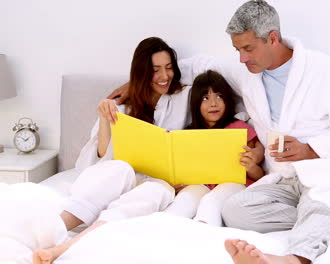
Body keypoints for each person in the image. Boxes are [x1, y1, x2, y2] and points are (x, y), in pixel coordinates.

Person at [107, 2, 330, 263]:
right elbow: (197, 66)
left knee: (324, 198)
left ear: (272, 38)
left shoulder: (324, 72)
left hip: (327, 170)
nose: (241, 58)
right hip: (284, 179)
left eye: (248, 48)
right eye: (237, 49)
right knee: (235, 210)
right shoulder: (248, 73)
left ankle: (292, 258)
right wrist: (138, 83)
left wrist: (311, 148)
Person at [32, 37, 209, 264]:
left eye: (169, 68)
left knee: (158, 190)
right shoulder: (120, 106)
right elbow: (94, 162)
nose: (165, 76)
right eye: (155, 70)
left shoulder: (184, 97)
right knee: (121, 168)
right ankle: (54, 229)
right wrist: (104, 118)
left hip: (156, 182)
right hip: (113, 178)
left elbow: (213, 76)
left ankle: (65, 247)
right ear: (142, 73)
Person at [185, 70, 265, 226]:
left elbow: (259, 176)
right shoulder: (189, 134)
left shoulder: (239, 129)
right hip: (202, 185)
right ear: (196, 103)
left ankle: (204, 235)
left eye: (219, 96)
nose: (213, 103)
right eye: (205, 98)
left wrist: (251, 166)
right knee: (184, 201)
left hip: (234, 184)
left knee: (210, 202)